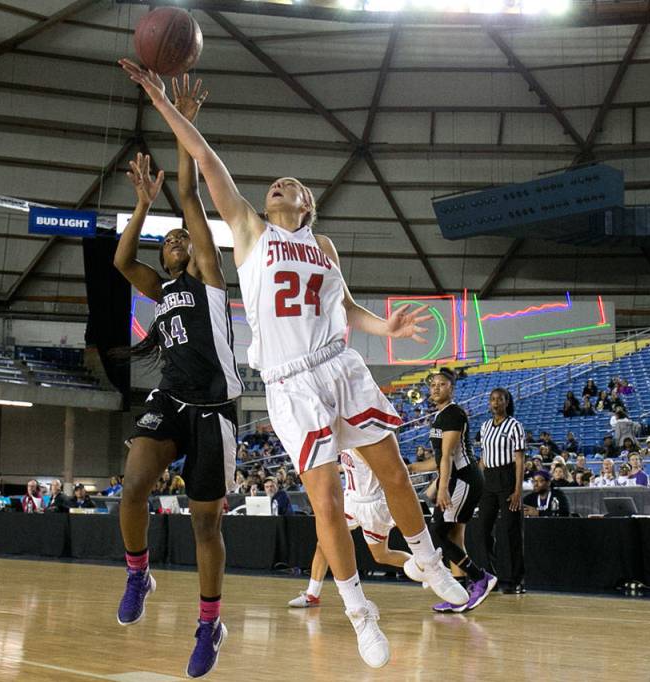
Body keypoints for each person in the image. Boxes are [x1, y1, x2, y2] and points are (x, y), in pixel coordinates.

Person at [119, 61, 467, 669]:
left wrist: (384, 327)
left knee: (392, 473)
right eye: (275, 182)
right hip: (289, 382)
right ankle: (360, 613)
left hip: (339, 364)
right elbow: (202, 160)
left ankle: (430, 564)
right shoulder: (250, 230)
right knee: (328, 504)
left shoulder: (323, 246)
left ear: (307, 208)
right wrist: (159, 100)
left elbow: (346, 306)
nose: (280, 184)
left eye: (293, 185)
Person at [112, 77, 242, 678]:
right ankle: (139, 572)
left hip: (214, 408)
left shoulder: (210, 275)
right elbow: (120, 260)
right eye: (167, 241)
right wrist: (141, 205)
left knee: (205, 524)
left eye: (180, 236)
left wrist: (182, 125)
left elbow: (190, 195)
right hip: (170, 398)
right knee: (134, 483)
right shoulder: (158, 287)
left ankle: (208, 623)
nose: (175, 239)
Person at [289, 449, 418, 608]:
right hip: (351, 501)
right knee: (324, 543)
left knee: (381, 555)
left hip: (372, 504)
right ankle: (312, 595)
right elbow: (351, 464)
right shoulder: (344, 439)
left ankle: (426, 567)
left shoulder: (363, 442)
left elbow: (381, 468)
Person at [423, 368, 496, 613]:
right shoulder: (440, 416)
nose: (435, 388)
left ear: (451, 388)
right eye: (433, 384)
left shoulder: (453, 414)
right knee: (454, 537)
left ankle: (480, 578)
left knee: (438, 532)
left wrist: (441, 488)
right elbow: (437, 458)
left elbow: (447, 456)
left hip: (463, 480)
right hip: (456, 479)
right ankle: (459, 595)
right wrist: (411, 465)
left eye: (441, 384)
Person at [476, 388, 526, 595]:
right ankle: (491, 575)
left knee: (510, 531)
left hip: (507, 478)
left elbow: (520, 460)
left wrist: (517, 490)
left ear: (507, 402)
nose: (496, 403)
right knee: (482, 529)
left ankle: (515, 579)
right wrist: (478, 483)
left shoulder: (515, 426)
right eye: (492, 399)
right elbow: (483, 457)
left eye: (500, 399)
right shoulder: (485, 426)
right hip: (488, 478)